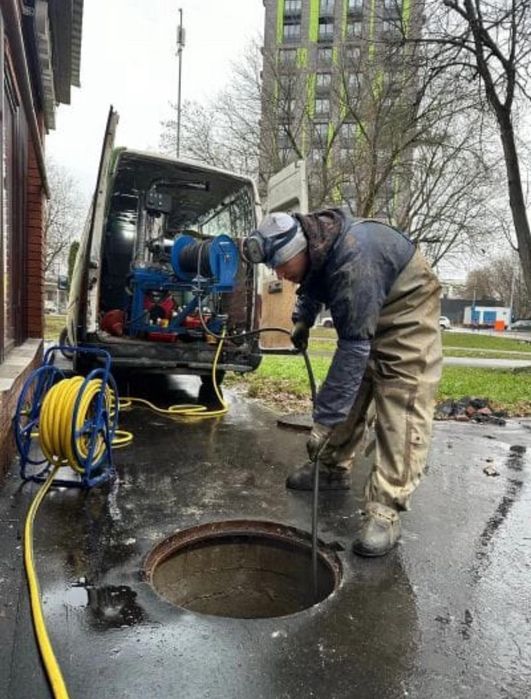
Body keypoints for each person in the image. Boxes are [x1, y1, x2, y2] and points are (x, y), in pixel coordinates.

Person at [243, 209, 442, 557]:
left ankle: (386, 509)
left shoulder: (353, 258)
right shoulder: (318, 242)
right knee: (352, 385)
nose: (279, 274)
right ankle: (332, 468)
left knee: (402, 400)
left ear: (299, 250)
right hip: (368, 302)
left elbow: (352, 347)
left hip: (406, 308)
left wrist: (322, 423)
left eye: (281, 265)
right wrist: (303, 318)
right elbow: (312, 281)